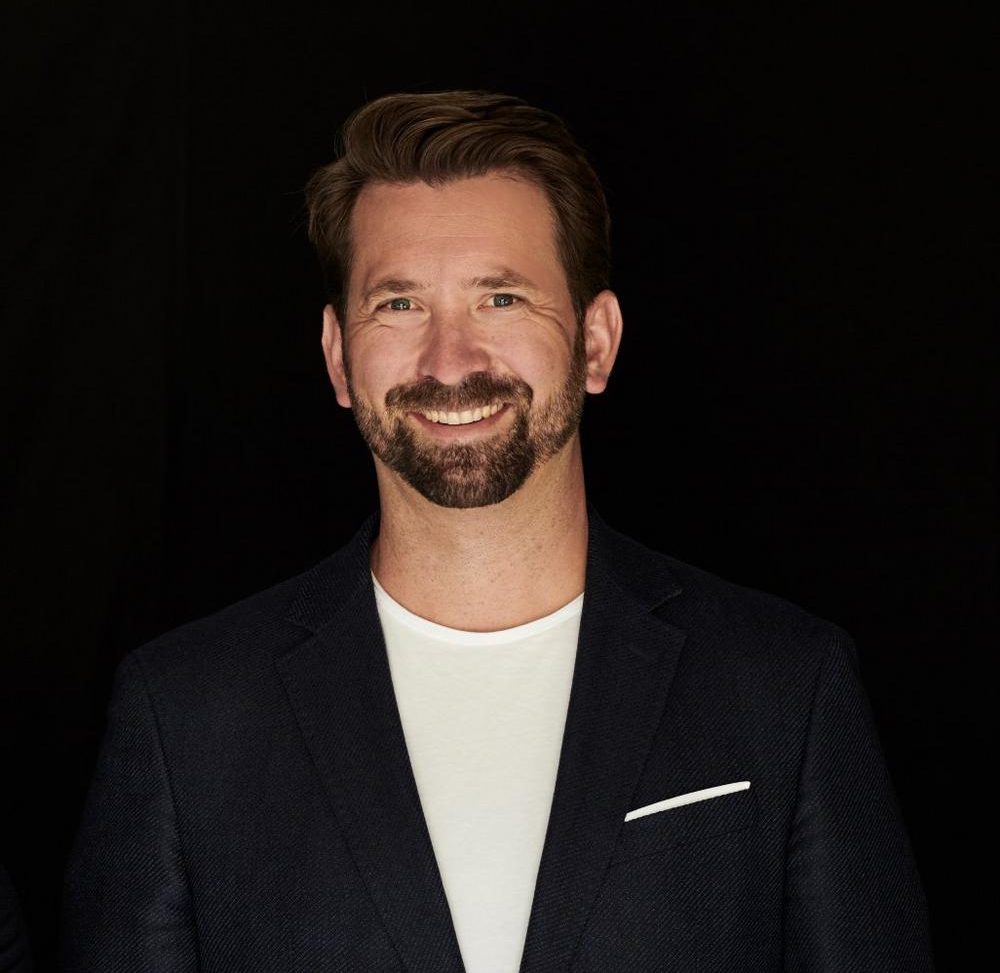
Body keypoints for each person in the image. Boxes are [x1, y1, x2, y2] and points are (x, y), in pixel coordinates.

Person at [60, 90, 934, 972]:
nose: (450, 361)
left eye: (502, 298)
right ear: (337, 356)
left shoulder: (783, 687)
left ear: (596, 342)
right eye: (399, 305)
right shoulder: (185, 717)